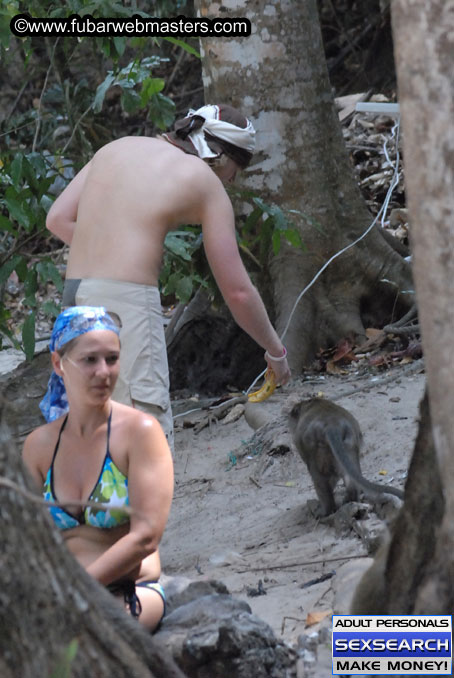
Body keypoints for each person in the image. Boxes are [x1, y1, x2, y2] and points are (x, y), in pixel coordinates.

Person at [46, 104, 291, 446]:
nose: (234, 179)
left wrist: (111, 250)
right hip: (125, 305)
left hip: (75, 297)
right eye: (238, 167)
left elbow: (57, 218)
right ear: (220, 156)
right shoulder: (206, 183)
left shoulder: (116, 148)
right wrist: (275, 351)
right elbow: (237, 291)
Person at [22, 306, 174, 632]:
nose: (104, 371)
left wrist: (76, 588)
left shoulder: (140, 432)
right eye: (90, 360)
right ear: (58, 363)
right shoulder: (39, 445)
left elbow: (146, 536)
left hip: (128, 591)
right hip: (60, 593)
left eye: (112, 358)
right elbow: (25, 538)